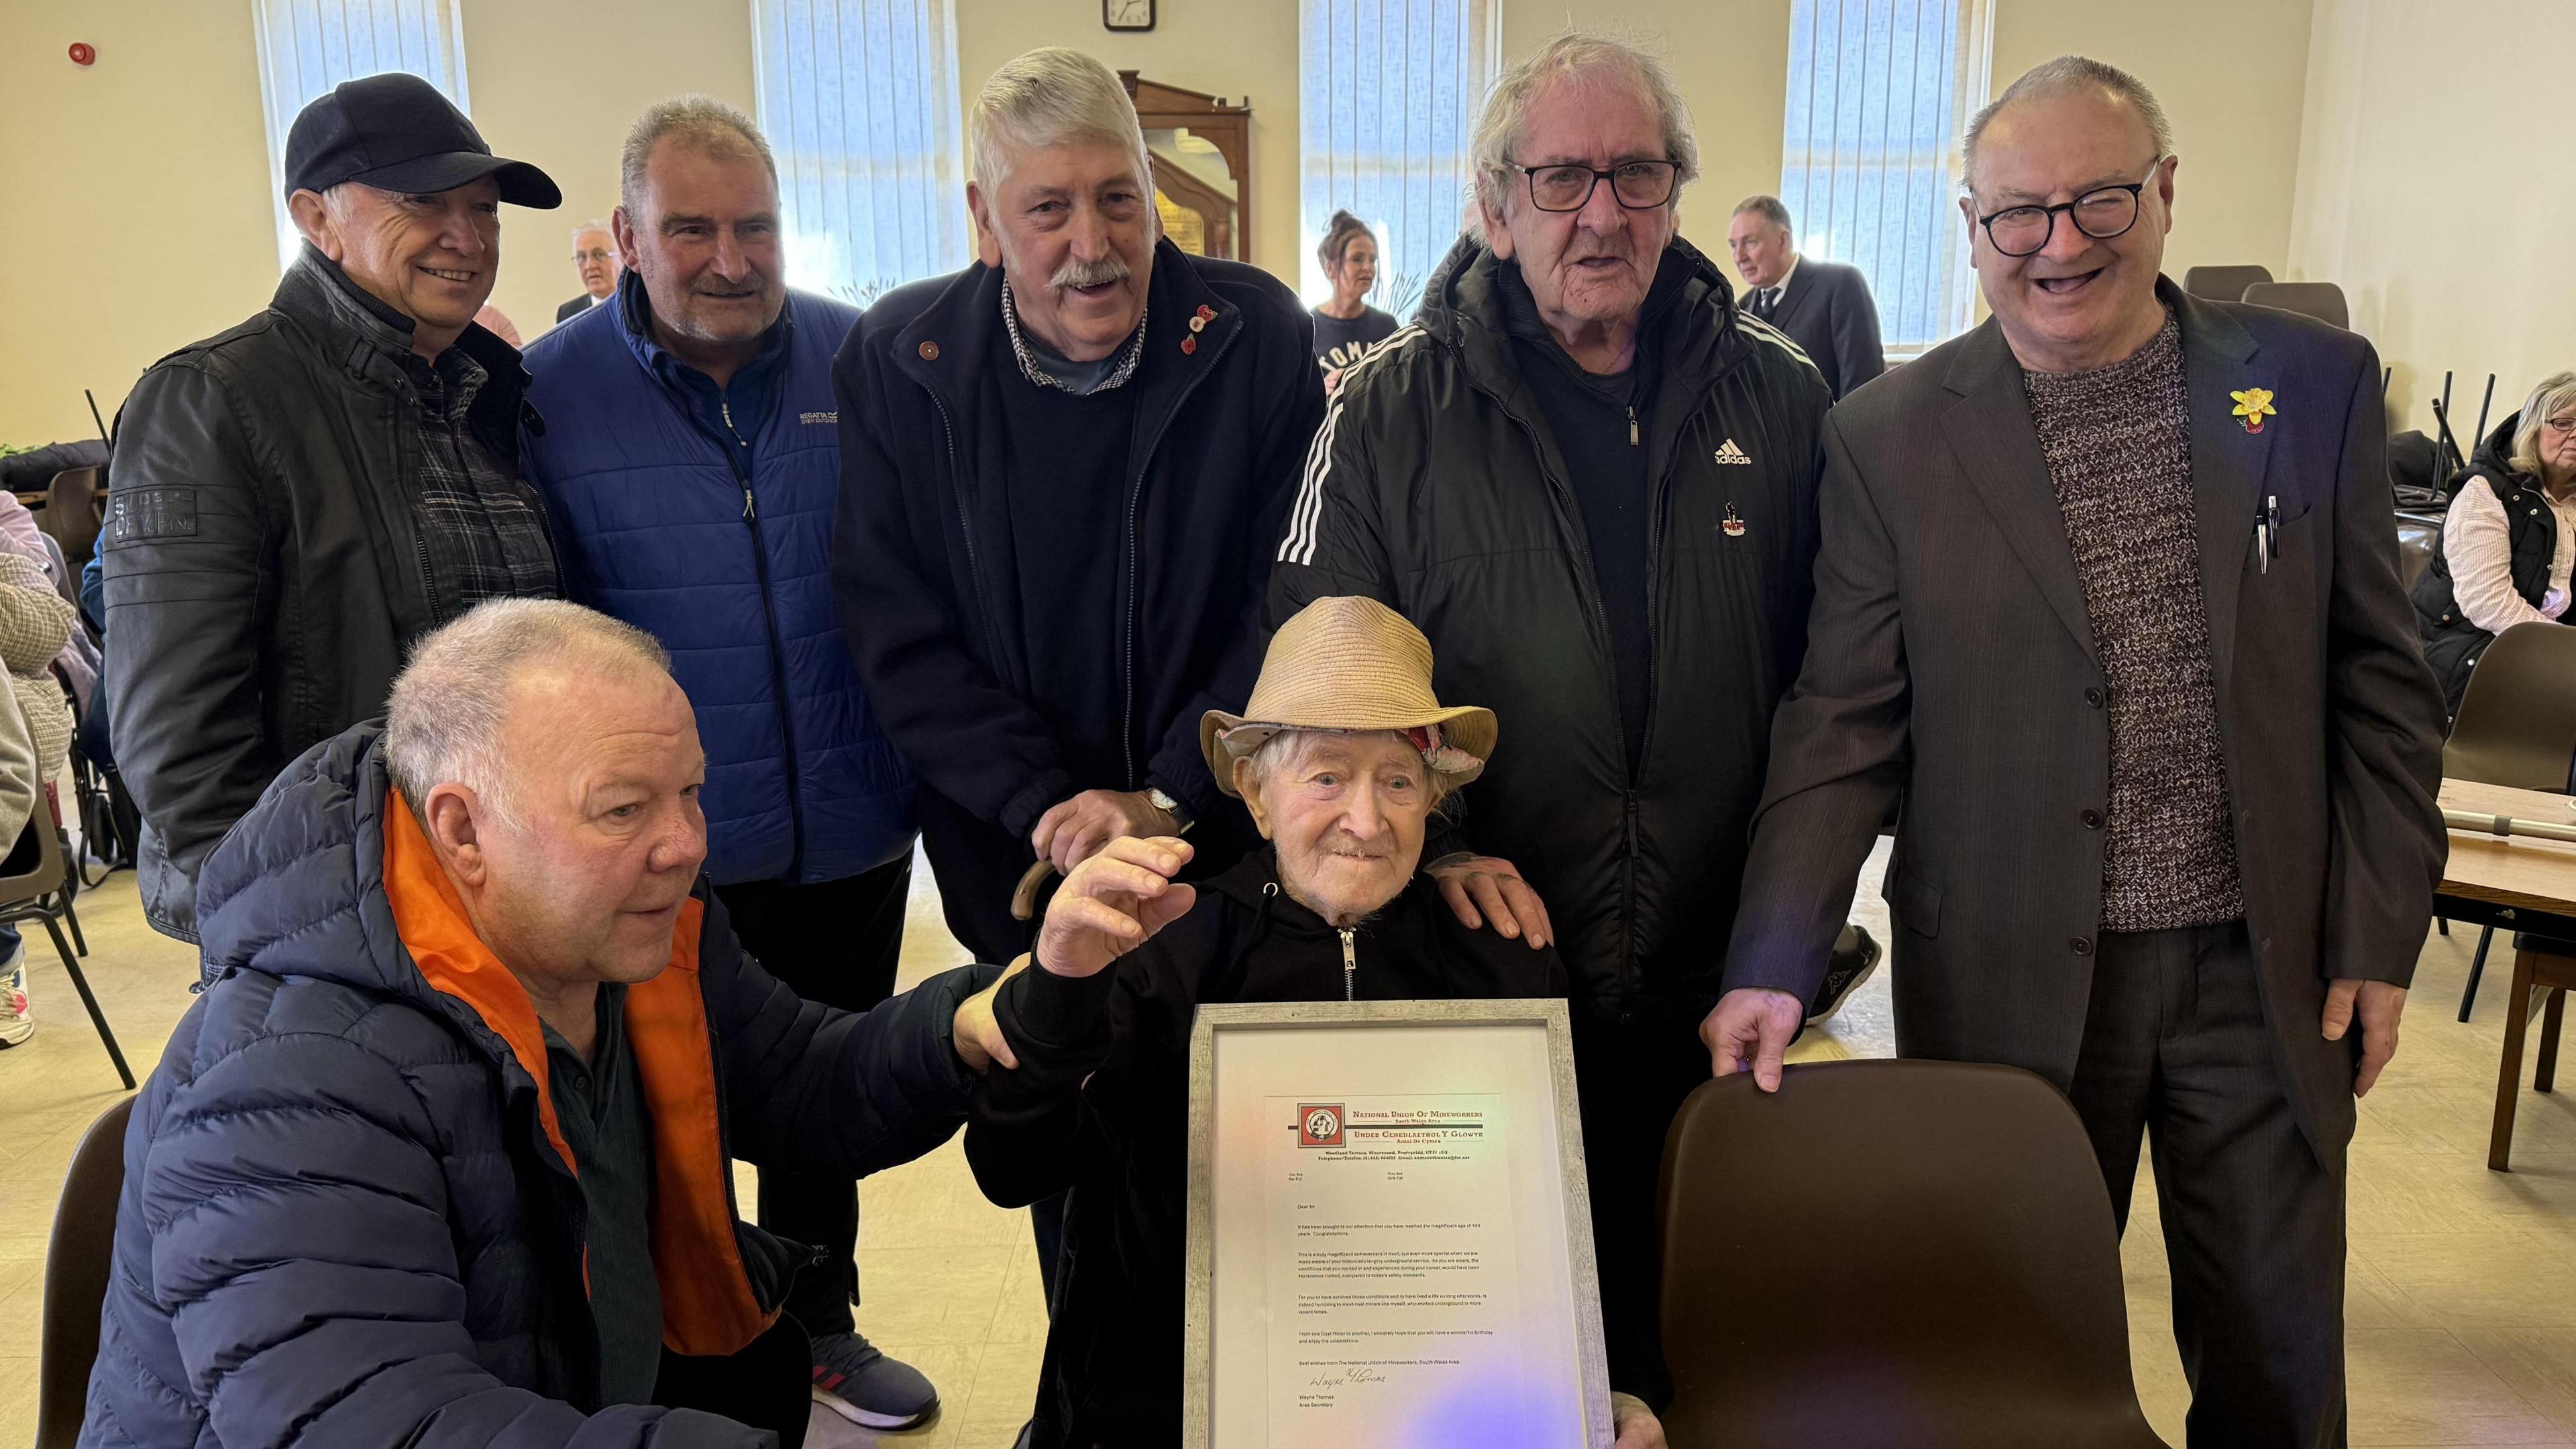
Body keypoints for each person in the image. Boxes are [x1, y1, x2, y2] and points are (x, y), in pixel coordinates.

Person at [1704, 56, 2447, 1445]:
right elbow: (1841, 722)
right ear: (1970, 226)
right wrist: (1773, 955)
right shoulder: (1887, 437)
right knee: (2002, 1355)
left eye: (2099, 201)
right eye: (2019, 215)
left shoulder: (2309, 385)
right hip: (2007, 974)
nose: (2059, 244)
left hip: (2263, 971)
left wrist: (2377, 931)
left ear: (2164, 193)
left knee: (2278, 1362)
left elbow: (2381, 691)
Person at [76, 599, 1081, 1449]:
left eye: (690, 793)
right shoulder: (298, 1076)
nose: (685, 844)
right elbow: (382, 1424)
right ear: (463, 829)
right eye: (623, 810)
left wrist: (982, 1015)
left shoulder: (621, 940)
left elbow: (805, 1082)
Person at [1266, 31, 1838, 1411]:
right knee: (1506, 1365)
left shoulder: (1783, 398)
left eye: (1636, 174)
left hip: (1718, 976)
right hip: (1482, 976)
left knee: (1696, 1355)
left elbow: (1841, 690)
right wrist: (1441, 842)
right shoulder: (1390, 407)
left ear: (1677, 192)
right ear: (1492, 202)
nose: (1603, 212)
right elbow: (1322, 681)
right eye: (1563, 175)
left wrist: (1790, 919)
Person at [962, 595, 1665, 1448]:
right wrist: (1059, 985)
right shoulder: (1169, 952)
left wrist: (1617, 1381)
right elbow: (1013, 1165)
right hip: (1186, 1410)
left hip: (1442, 1409)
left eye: (1399, 781)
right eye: (1326, 775)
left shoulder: (1501, 956)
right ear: (1257, 794)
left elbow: (1579, 1203)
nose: (1366, 822)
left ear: (1434, 802)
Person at [521, 96, 930, 1431]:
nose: (729, 258)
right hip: (652, 851)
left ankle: (820, 1319)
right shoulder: (547, 394)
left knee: (821, 1100)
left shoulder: (860, 360)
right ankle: (684, 1354)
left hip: (852, 821)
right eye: (689, 228)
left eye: (753, 225)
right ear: (627, 236)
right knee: (653, 1120)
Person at [835, 46, 1322, 990]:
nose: (1091, 245)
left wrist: (1171, 790)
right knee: (1041, 1121)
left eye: (1117, 198)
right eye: (1048, 208)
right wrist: (1050, 808)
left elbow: (1289, 596)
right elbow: (895, 627)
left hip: (1216, 848)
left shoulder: (1256, 335)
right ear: (986, 220)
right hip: (1012, 864)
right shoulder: (899, 362)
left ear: (1151, 191)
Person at [103, 72, 562, 942]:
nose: (466, 237)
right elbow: (184, 754)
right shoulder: (214, 400)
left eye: (485, 207)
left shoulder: (480, 394)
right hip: (347, 922)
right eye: (425, 201)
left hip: (512, 887)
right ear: (316, 217)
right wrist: (302, 935)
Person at [2412, 371, 2576, 712]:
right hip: (2469, 650)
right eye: (2563, 422)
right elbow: (2488, 602)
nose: (2574, 435)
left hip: (2548, 647)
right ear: (2533, 427)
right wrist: (2565, 651)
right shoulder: (2485, 493)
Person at [1726, 194, 1886, 400]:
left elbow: (1863, 385)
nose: (1739, 257)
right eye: (1733, 245)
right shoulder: (1742, 309)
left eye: (1750, 242)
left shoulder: (1840, 284)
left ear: (1783, 241)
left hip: (1831, 430)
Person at [1311, 209, 1399, 376]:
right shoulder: (1308, 328)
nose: (1368, 268)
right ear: (1330, 268)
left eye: (1372, 260)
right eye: (1357, 259)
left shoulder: (1387, 327)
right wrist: (1323, 388)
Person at [559, 218, 620, 322]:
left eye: (599, 255)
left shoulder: (643, 304)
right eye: (582, 257)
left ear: (622, 257)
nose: (589, 266)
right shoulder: (568, 313)